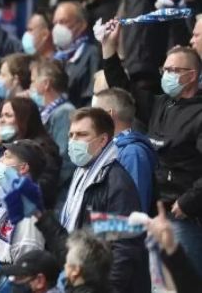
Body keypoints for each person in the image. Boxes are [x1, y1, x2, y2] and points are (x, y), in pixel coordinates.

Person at [103, 34, 202, 276]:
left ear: (192, 75)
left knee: (181, 283)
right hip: (154, 213)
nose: (166, 74)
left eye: (173, 69)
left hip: (183, 216)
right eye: (164, 69)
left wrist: (189, 201)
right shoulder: (160, 105)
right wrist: (108, 48)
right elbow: (122, 89)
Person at [34, 108, 149, 293]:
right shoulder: (82, 173)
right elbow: (73, 238)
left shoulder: (116, 183)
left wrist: (107, 290)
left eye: (81, 135)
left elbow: (123, 249)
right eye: (71, 135)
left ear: (103, 140)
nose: (73, 141)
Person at [0, 97, 61, 208]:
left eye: (8, 115)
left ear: (25, 119)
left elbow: (45, 187)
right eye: (1, 115)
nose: (1, 120)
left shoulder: (43, 147)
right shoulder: (9, 145)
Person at [92, 88, 156, 212]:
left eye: (94, 112)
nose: (90, 118)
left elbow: (134, 204)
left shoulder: (133, 153)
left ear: (108, 114)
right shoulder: (109, 148)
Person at [50, 1, 100, 107]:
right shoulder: (56, 58)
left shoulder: (91, 54)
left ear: (82, 25)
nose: (57, 27)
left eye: (63, 22)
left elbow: (92, 95)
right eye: (55, 23)